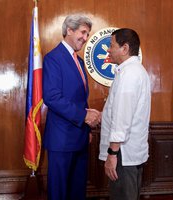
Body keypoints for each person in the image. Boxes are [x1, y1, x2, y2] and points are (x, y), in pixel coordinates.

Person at [42, 14, 100, 200]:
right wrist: (84, 116)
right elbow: (52, 97)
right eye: (83, 33)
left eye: (88, 34)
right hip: (61, 139)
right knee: (59, 192)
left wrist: (87, 127)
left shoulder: (80, 61)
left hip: (80, 137)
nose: (85, 38)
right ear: (69, 30)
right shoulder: (53, 58)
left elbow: (80, 98)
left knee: (77, 191)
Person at [99, 28, 151, 200]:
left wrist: (112, 155)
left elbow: (122, 119)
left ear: (125, 48)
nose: (108, 49)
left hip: (122, 155)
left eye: (111, 45)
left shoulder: (129, 74)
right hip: (128, 154)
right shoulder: (135, 71)